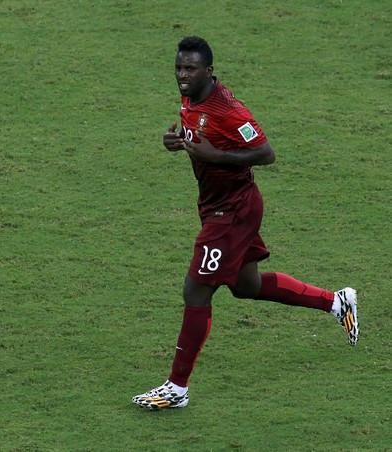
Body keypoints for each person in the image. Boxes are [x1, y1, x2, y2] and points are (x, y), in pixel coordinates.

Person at [132, 36, 359, 410]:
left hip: (232, 211)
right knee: (246, 286)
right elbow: (198, 135)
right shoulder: (192, 96)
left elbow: (266, 153)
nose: (181, 76)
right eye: (178, 68)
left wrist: (216, 155)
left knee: (196, 292)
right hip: (215, 204)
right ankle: (337, 302)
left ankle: (176, 388)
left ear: (209, 70)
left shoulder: (231, 111)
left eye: (190, 69)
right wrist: (175, 141)